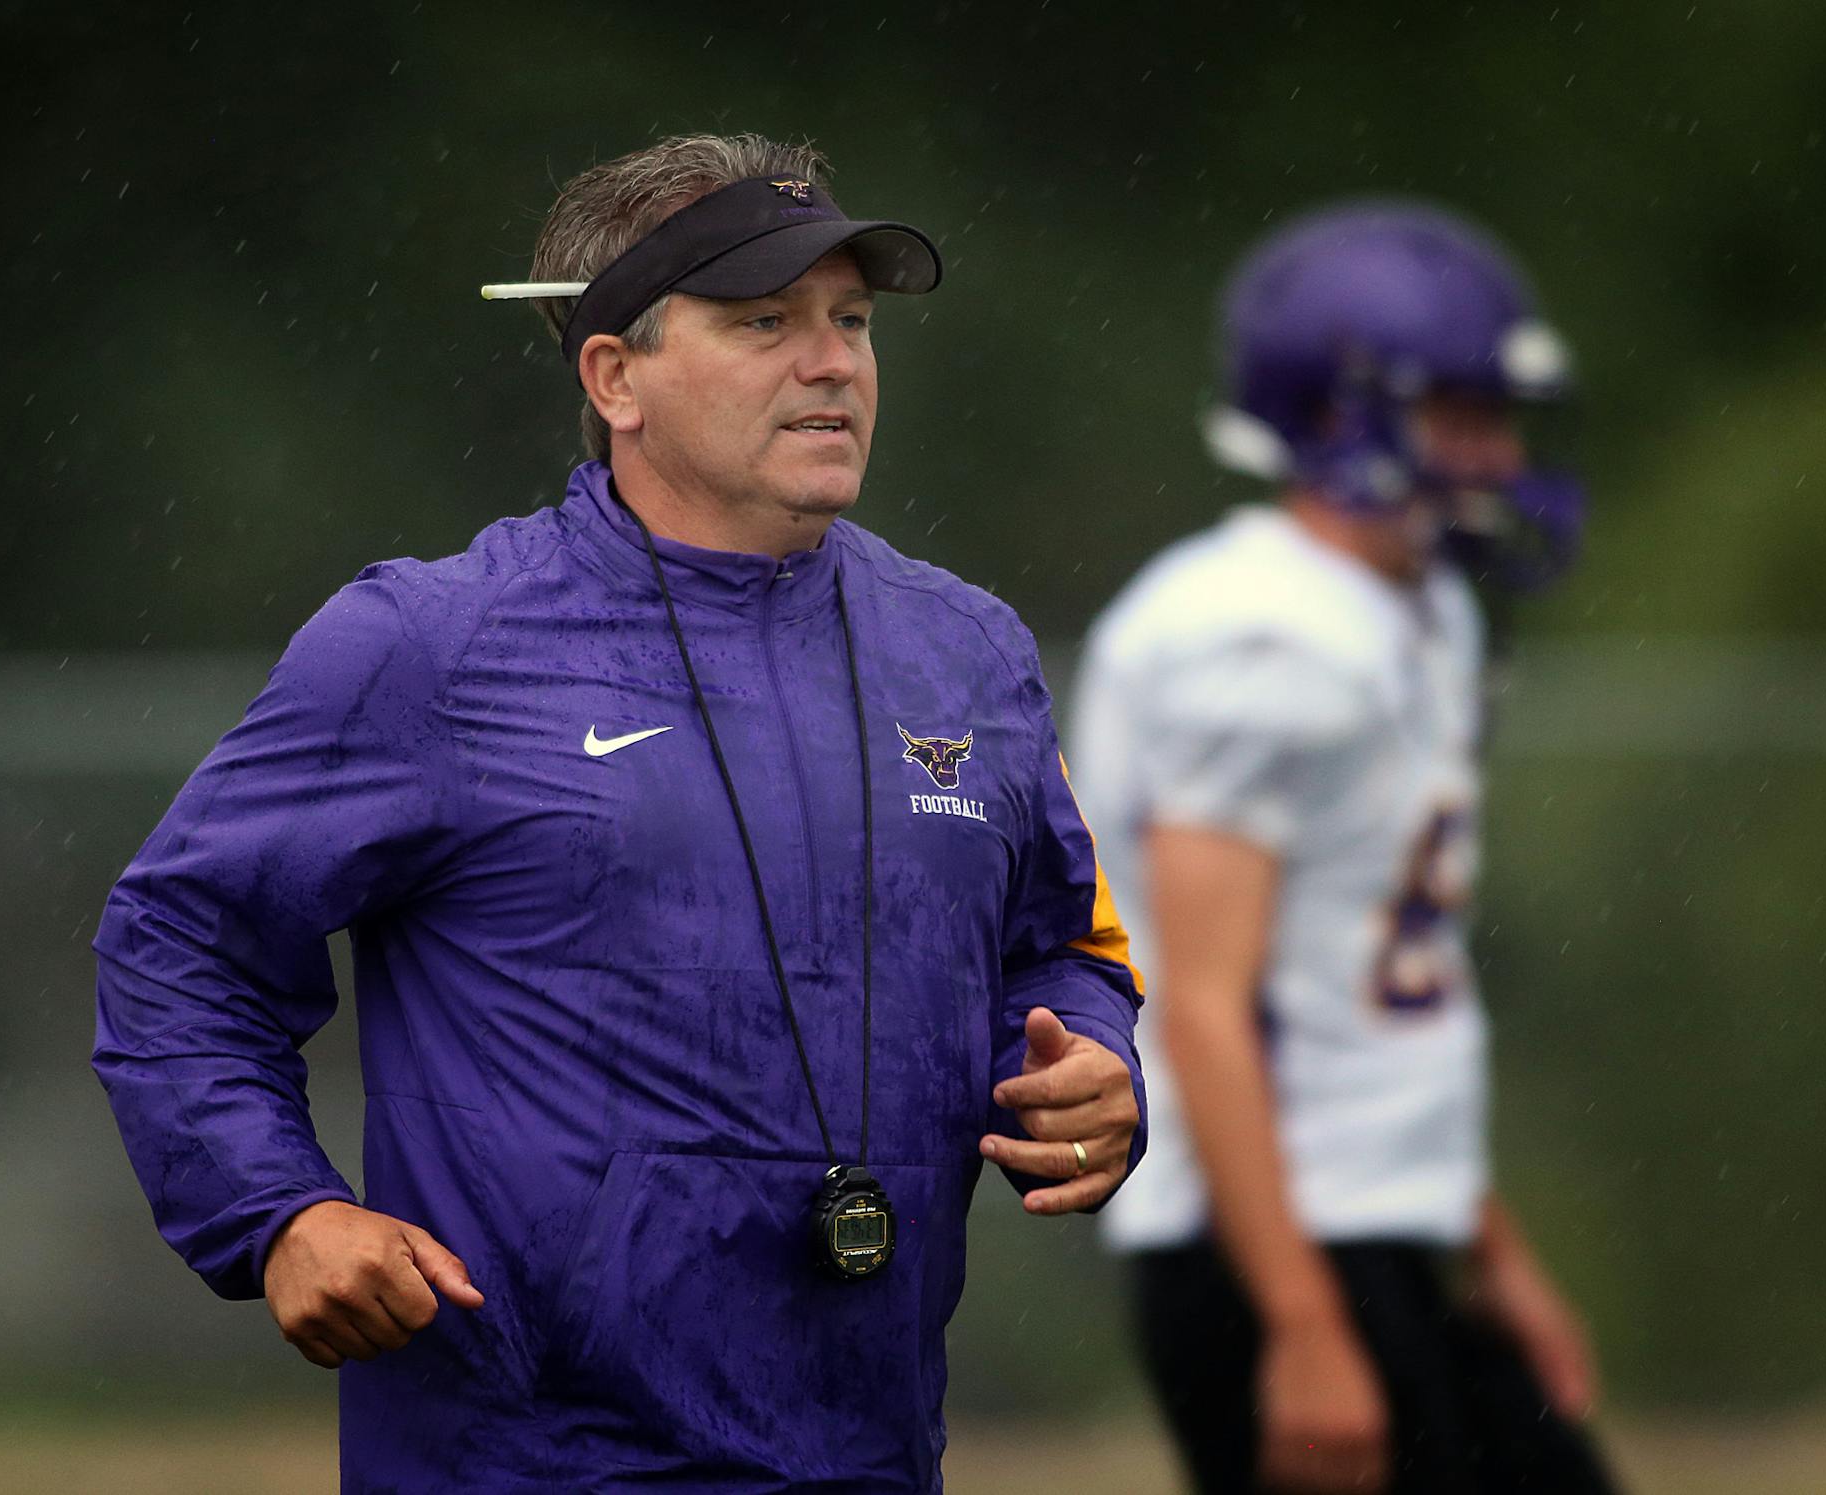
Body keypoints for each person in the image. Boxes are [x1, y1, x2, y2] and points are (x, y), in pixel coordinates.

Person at [93, 132, 1146, 1493]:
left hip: (875, 1458)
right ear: (615, 375)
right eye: (764, 321)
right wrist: (282, 1214)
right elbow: (183, 946)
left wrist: (1090, 1074)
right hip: (523, 1462)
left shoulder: (968, 652)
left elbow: (1063, 950)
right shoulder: (432, 645)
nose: (831, 362)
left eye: (850, 322)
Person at [1068, 202, 1616, 1494]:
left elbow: (1359, 997)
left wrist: (1486, 1247)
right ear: (1338, 416)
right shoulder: (1253, 633)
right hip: (1269, 1251)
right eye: (1462, 414)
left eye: (1501, 414)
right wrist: (1308, 1327)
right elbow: (1203, 1007)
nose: (1497, 453)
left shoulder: (1417, 608)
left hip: (1385, 1224)